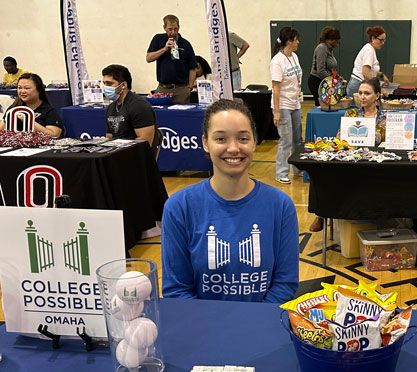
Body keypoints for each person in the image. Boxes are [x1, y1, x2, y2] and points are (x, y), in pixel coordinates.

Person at [161, 98, 299, 303]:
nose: (233, 148)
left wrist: (252, 325)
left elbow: (284, 284)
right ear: (205, 143)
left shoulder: (281, 206)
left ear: (254, 141)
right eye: (221, 139)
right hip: (203, 328)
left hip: (260, 326)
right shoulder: (179, 207)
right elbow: (177, 290)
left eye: (243, 139)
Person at [309, 77, 387, 232]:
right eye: (360, 93)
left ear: (377, 96)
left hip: (371, 162)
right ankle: (321, 213)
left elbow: (383, 143)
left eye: (367, 93)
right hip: (349, 159)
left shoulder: (384, 118)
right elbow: (339, 139)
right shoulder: (351, 114)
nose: (363, 97)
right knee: (321, 170)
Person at [270, 26, 303, 185]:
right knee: (286, 140)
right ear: (289, 41)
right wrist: (276, 112)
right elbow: (276, 89)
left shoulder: (294, 57)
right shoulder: (277, 61)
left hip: (294, 103)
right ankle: (281, 172)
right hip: (282, 105)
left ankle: (298, 169)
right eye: (296, 39)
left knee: (298, 139)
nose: (298, 42)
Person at [101, 64, 158, 150]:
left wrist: (118, 148)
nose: (106, 88)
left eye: (110, 84)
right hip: (115, 155)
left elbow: (145, 143)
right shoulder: (111, 107)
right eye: (104, 83)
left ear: (123, 85)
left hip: (135, 157)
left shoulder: (139, 106)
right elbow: (109, 138)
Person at [146, 14, 197, 103]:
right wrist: (164, 49)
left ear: (179, 27)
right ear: (164, 28)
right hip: (163, 88)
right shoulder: (158, 39)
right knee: (161, 115)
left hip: (181, 89)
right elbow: (148, 58)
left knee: (181, 115)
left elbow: (192, 67)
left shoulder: (185, 44)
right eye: (170, 29)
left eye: (175, 29)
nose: (173, 32)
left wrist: (190, 87)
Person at [0, 73, 63, 138]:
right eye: (19, 88)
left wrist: (28, 120)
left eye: (27, 88)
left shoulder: (49, 111)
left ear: (39, 90)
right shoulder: (14, 109)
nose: (22, 91)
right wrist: (7, 119)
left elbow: (55, 135)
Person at [346, 26, 390, 98]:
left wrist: (382, 75)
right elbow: (365, 73)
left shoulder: (370, 49)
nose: (383, 43)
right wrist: (378, 89)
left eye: (384, 40)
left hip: (359, 84)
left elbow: (371, 70)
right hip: (358, 86)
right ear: (373, 38)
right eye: (381, 40)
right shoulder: (369, 51)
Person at [308, 26, 341, 106]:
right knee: (322, 107)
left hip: (324, 81)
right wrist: (333, 80)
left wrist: (337, 76)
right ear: (332, 40)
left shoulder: (329, 49)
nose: (338, 43)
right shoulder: (322, 48)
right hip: (317, 81)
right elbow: (321, 70)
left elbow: (329, 68)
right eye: (337, 41)